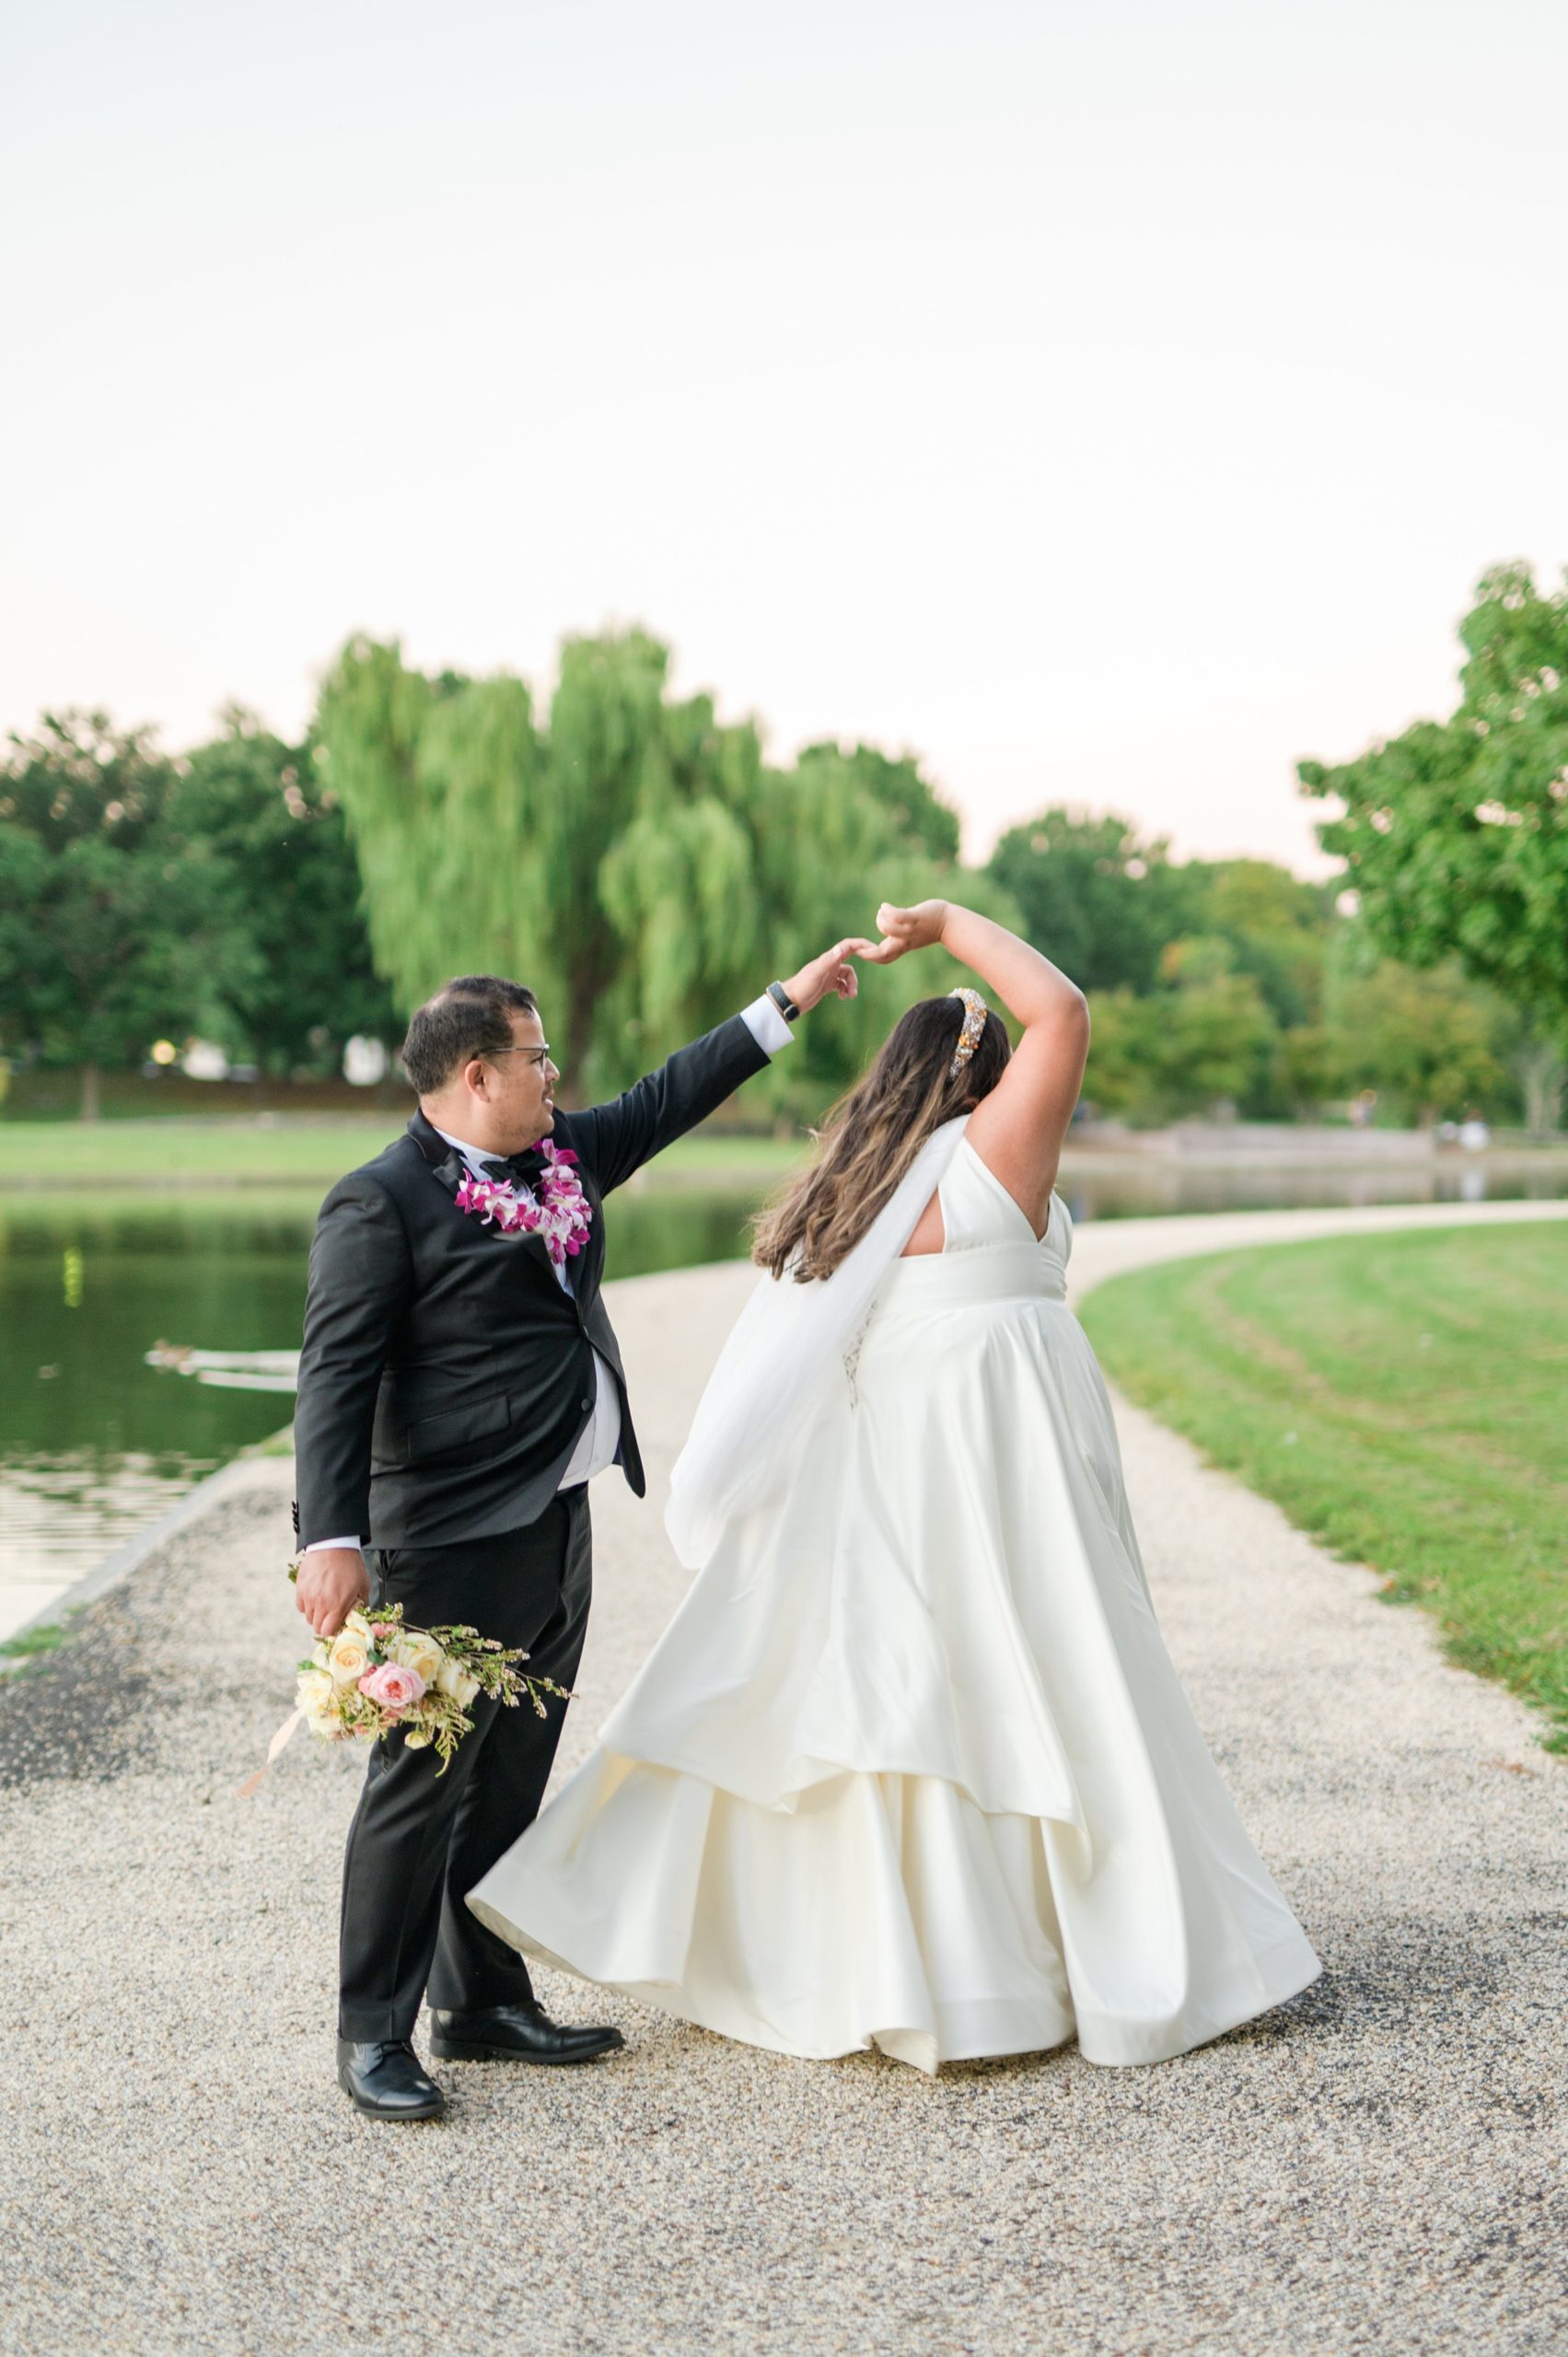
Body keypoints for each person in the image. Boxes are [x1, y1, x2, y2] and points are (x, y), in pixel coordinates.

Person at [469, 900, 1323, 2073]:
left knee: (920, 1687)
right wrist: (947, 925)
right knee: (1060, 1662)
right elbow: (1062, 1006)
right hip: (1008, 1445)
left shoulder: (858, 1183)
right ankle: (1095, 1943)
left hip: (902, 1459)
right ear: (988, 1078)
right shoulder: (990, 1157)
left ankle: (915, 1966)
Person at [292, 946, 862, 2119]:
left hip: (557, 1521)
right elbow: (333, 1379)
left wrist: (789, 999)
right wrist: (328, 1536)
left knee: (508, 1779)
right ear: (474, 1073)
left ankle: (484, 2002)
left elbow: (668, 1095)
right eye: (537, 1056)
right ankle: (372, 2035)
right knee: (420, 1783)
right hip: (443, 1535)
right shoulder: (377, 1200)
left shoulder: (560, 1160)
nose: (556, 1074)